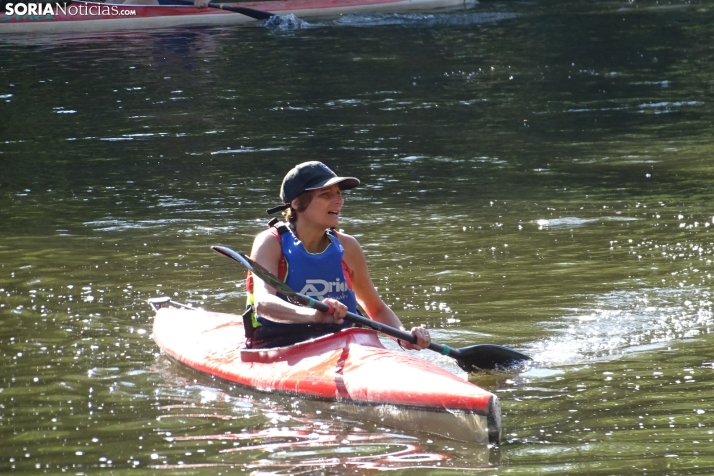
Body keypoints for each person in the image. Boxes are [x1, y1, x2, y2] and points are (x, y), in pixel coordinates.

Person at [245, 161, 431, 350]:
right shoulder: (271, 243)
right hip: (279, 342)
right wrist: (314, 315)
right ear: (296, 202)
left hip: (341, 341)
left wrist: (403, 335)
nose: (339, 201)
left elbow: (376, 308)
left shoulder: (348, 246)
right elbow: (263, 304)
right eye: (326, 194)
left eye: (339, 193)